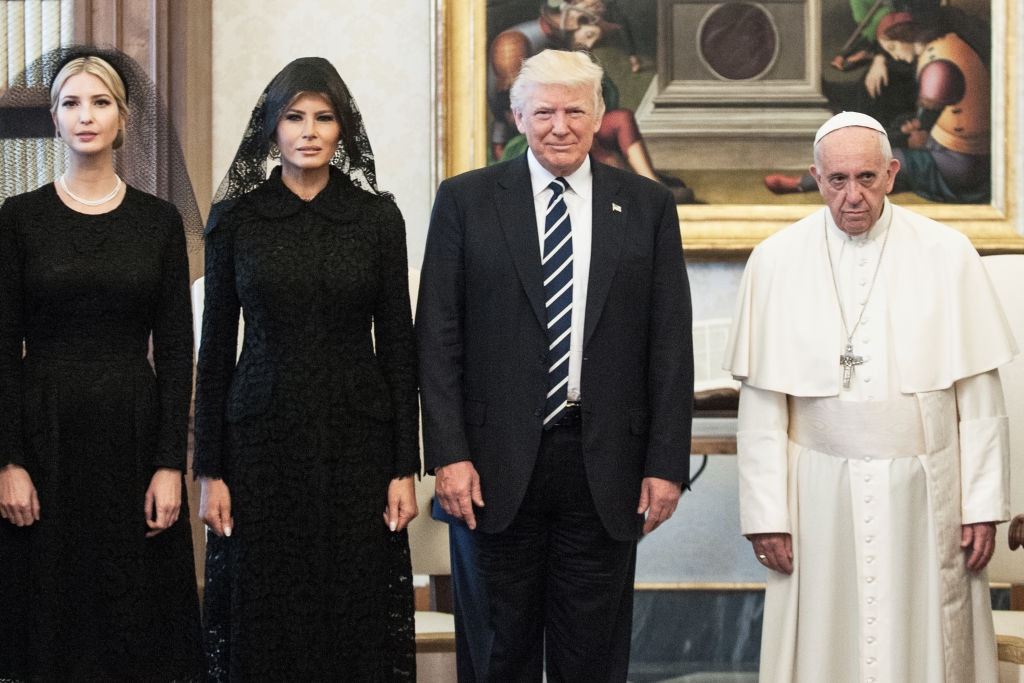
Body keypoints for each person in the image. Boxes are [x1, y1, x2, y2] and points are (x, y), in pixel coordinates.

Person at [417, 49, 694, 681]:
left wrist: (665, 464)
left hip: (605, 468)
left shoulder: (647, 206)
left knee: (591, 659)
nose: (560, 125)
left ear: (600, 117)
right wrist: (449, 455)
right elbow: (436, 339)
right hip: (488, 468)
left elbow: (669, 345)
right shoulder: (465, 201)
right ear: (518, 116)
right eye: (544, 111)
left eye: (575, 110)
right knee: (496, 656)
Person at [725, 111, 1017, 682]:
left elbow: (980, 397)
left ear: (892, 173)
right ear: (815, 177)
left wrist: (981, 504)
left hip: (926, 490)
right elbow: (762, 410)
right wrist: (766, 515)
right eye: (837, 181)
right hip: (816, 496)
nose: (852, 196)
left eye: (866, 177)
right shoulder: (775, 261)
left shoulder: (947, 252)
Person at [193, 57, 419, 681]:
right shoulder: (237, 219)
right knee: (265, 603)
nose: (309, 130)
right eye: (294, 117)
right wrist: (209, 470)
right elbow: (214, 350)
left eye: (324, 117)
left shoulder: (378, 219)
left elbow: (399, 346)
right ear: (271, 130)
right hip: (259, 439)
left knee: (355, 602)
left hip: (359, 440)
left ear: (343, 130)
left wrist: (406, 466)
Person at [0, 49, 204, 680]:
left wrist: (171, 464)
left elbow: (175, 351)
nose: (85, 116)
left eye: (100, 102)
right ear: (55, 121)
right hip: (43, 437)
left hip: (132, 438)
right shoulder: (18, 218)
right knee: (47, 620)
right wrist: (8, 461)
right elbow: (2, 349)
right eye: (70, 103)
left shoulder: (159, 221)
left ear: (123, 117)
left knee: (134, 624)